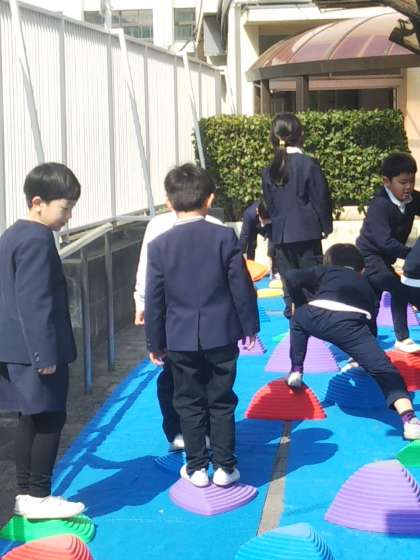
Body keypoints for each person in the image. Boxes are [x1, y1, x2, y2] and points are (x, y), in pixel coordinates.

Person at [145, 163, 259, 487]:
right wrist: (249, 326)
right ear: (210, 199)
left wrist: (155, 341)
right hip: (221, 332)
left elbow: (155, 299)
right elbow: (240, 284)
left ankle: (196, 467)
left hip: (179, 336)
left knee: (187, 400)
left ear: (169, 202)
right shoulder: (224, 236)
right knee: (221, 399)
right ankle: (225, 467)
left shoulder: (159, 245)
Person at [0, 163, 86, 519]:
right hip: (36, 350)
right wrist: (44, 353)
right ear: (38, 202)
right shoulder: (37, 238)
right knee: (50, 418)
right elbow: (35, 301)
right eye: (65, 208)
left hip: (15, 348)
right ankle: (39, 495)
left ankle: (26, 494)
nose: (68, 216)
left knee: (30, 418)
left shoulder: (12, 234)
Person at [284, 243, 420, 441]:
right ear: (361, 269)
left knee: (297, 320)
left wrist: (299, 303)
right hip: (351, 325)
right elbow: (371, 323)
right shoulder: (366, 284)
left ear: (330, 262)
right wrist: (364, 354)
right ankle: (409, 419)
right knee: (385, 370)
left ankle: (296, 369)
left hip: (316, 315)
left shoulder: (326, 271)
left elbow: (291, 276)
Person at [133, 204, 222, 452]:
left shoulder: (160, 225)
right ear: (209, 198)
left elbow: (146, 271)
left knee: (179, 375)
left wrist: (142, 302)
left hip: (174, 316)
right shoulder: (216, 227)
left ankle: (188, 432)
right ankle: (193, 432)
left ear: (169, 200)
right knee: (193, 375)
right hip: (206, 317)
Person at [262, 112, 333, 319]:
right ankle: (315, 324)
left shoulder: (269, 170)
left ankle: (294, 323)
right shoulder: (308, 164)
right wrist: (326, 226)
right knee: (312, 284)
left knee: (290, 286)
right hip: (307, 233)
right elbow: (321, 198)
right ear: (300, 135)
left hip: (281, 236)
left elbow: (270, 204)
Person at [356, 152, 420, 352]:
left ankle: (365, 342)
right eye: (403, 182)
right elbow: (385, 242)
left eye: (412, 181)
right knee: (397, 290)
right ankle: (401, 338)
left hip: (387, 260)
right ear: (386, 181)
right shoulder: (380, 206)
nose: (408, 187)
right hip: (369, 258)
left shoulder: (412, 198)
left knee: (372, 300)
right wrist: (413, 254)